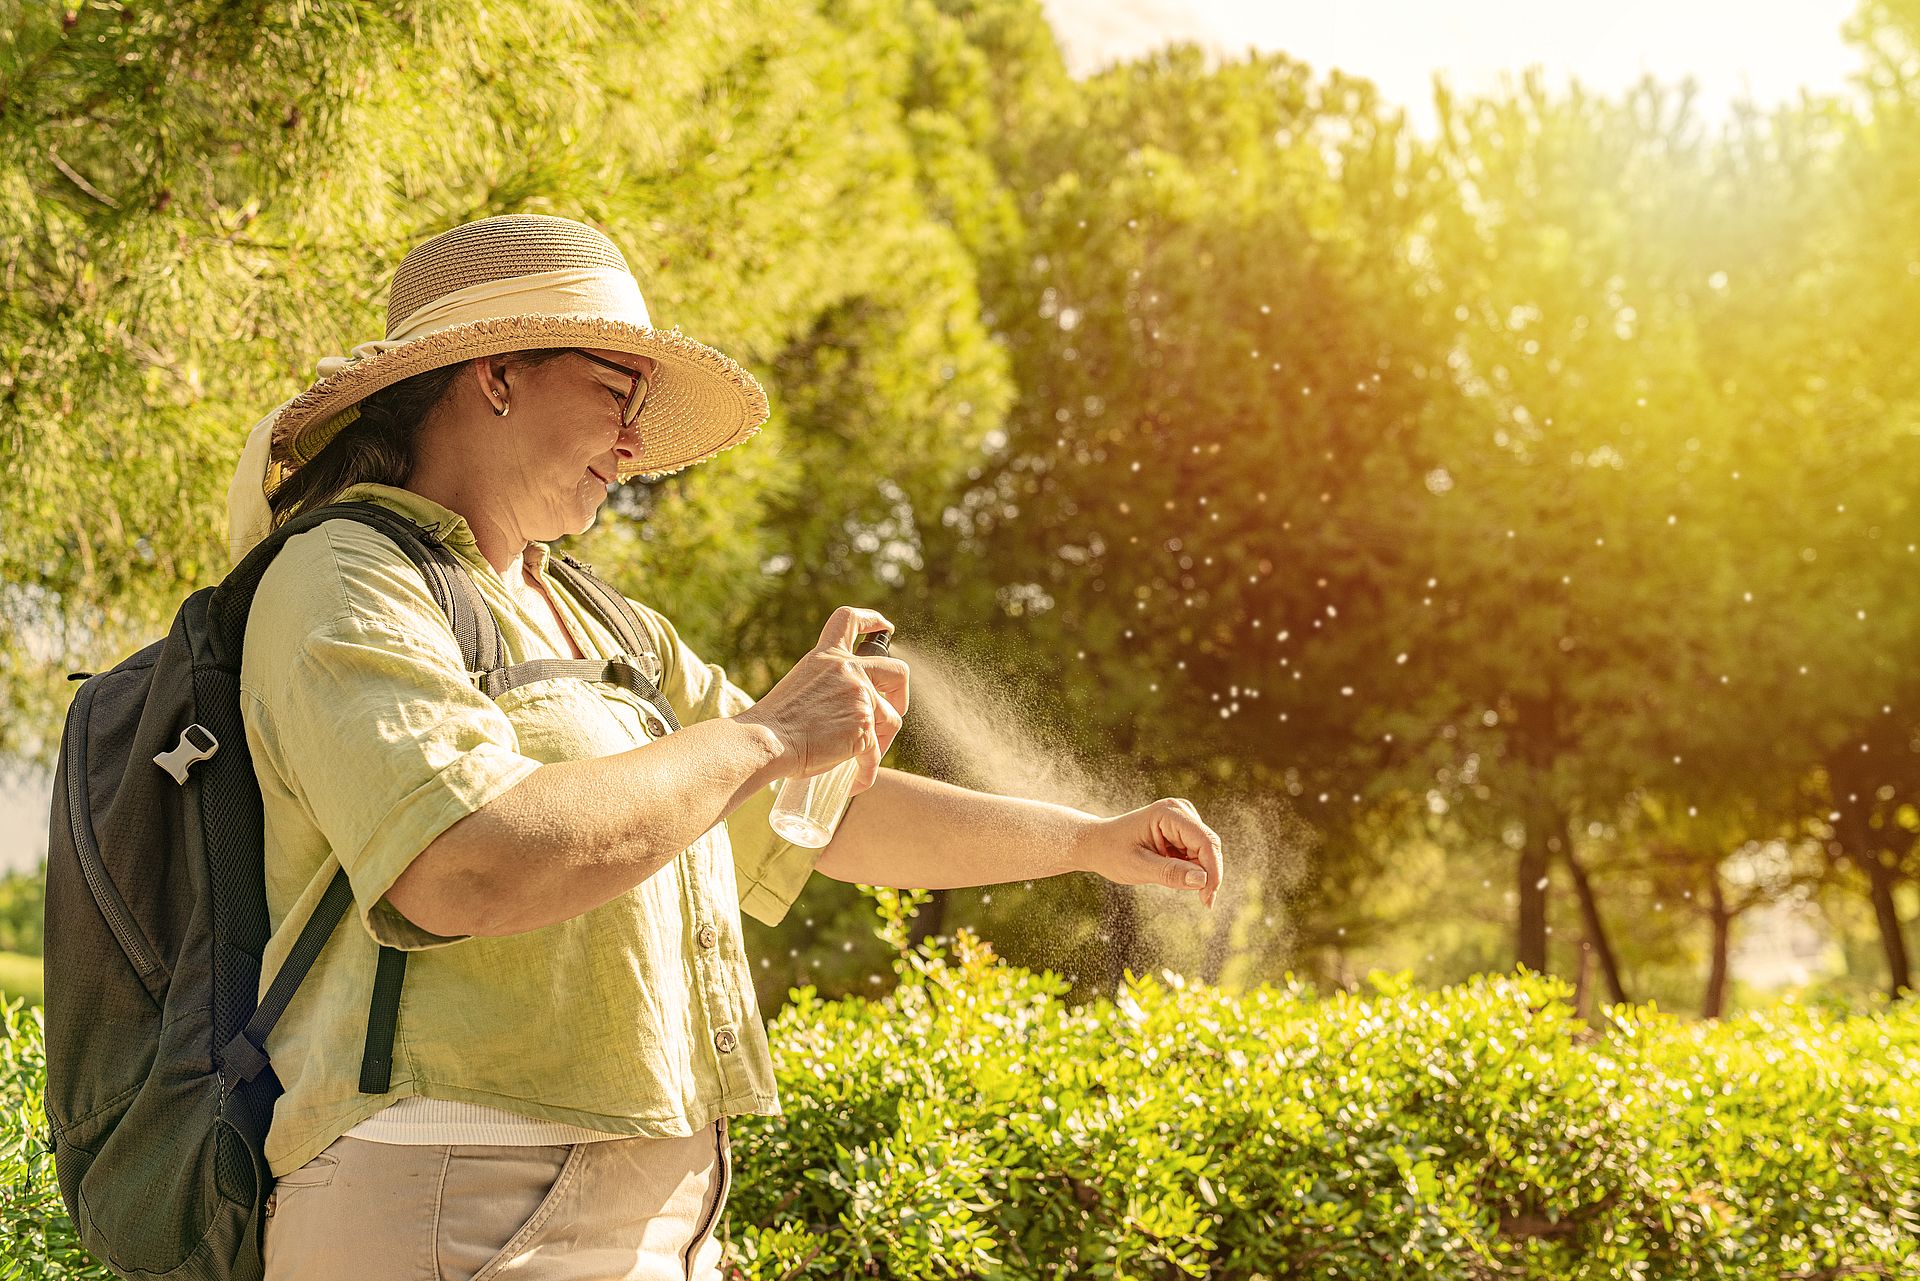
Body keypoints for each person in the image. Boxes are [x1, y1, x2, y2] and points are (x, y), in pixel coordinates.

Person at [223, 213, 1226, 1281]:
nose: (636, 445)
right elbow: (464, 866)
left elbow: (821, 815)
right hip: (449, 1202)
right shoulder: (342, 580)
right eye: (616, 393)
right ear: (498, 374)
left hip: (660, 1219)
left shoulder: (604, 626)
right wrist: (766, 734)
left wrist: (1088, 839)